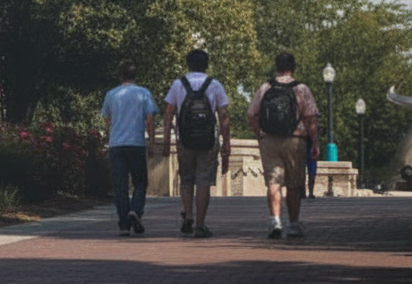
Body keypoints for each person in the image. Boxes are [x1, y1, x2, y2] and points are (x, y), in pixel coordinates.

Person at [247, 51, 320, 239]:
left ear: (276, 67)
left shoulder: (265, 87)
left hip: (270, 140)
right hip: (295, 140)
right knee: (294, 184)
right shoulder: (302, 89)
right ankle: (294, 224)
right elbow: (310, 118)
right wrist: (315, 143)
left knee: (273, 181)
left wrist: (260, 135)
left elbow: (252, 114)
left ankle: (275, 221)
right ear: (292, 67)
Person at [163, 49, 231, 237]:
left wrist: (168, 139)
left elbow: (168, 113)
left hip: (185, 139)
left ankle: (188, 217)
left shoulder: (178, 84)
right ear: (206, 65)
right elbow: (223, 116)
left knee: (186, 178)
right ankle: (200, 225)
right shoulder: (215, 85)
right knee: (203, 181)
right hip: (208, 140)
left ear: (188, 64)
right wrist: (226, 143)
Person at [101, 59, 158, 235]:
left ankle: (124, 224)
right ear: (135, 75)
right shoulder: (143, 93)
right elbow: (150, 119)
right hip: (136, 143)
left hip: (117, 144)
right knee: (140, 181)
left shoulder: (111, 94)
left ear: (120, 75)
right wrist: (152, 143)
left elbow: (106, 118)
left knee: (120, 185)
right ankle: (136, 210)